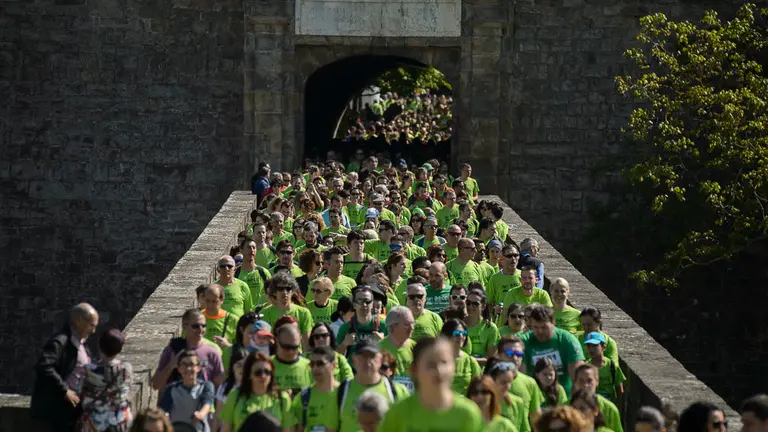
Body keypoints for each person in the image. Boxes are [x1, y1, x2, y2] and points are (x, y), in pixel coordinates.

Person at [378, 337, 484, 432]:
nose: (439, 370)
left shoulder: (468, 413)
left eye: (444, 362)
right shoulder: (398, 414)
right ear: (414, 370)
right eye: (431, 365)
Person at [31, 303, 99, 431]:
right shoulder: (61, 342)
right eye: (92, 325)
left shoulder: (80, 343)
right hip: (61, 411)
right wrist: (64, 390)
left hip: (75, 409)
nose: (93, 331)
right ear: (79, 321)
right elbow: (44, 366)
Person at [337, 340, 410, 432]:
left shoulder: (397, 391)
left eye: (372, 356)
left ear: (380, 360)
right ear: (354, 360)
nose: (367, 362)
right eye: (362, 357)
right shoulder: (340, 392)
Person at [151, 309, 224, 392]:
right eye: (195, 326)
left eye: (203, 326)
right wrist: (171, 365)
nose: (200, 330)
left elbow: (220, 387)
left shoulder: (212, 352)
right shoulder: (173, 349)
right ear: (184, 326)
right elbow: (156, 385)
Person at [217, 352, 292, 432]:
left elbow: (287, 430)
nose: (263, 376)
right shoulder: (235, 395)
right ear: (249, 374)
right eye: (258, 373)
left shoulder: (282, 398)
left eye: (267, 372)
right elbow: (226, 429)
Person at [76, 329, 133, 432]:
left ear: (99, 346)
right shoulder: (126, 369)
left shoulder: (89, 370)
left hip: (96, 423)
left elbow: (80, 392)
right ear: (120, 348)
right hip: (120, 422)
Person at [521, 305, 585, 395]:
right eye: (535, 327)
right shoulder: (524, 341)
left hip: (564, 395)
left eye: (544, 327)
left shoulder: (566, 340)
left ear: (553, 323)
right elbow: (520, 376)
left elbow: (578, 376)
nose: (540, 331)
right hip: (534, 396)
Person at [158, 350, 214, 432]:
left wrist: (200, 414)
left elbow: (207, 403)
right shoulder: (171, 389)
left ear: (198, 368)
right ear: (179, 369)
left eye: (191, 364)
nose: (188, 368)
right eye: (184, 365)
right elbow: (162, 410)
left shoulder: (206, 386)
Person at [496, 335, 544, 432]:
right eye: (509, 353)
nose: (515, 358)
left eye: (519, 354)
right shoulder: (487, 380)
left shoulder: (530, 382)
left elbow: (536, 417)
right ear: (499, 355)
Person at [288, 345, 341, 431]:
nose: (315, 368)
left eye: (320, 363)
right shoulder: (303, 397)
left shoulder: (344, 394)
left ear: (333, 365)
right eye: (312, 364)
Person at [259, 273, 314, 346]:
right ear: (274, 292)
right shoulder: (265, 313)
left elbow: (307, 343)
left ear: (293, 291)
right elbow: (264, 344)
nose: (285, 292)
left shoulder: (304, 313)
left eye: (288, 289)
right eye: (280, 289)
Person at [336, 285, 389, 359]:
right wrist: (345, 344)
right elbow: (335, 356)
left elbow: (393, 355)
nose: (364, 305)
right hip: (352, 366)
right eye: (359, 301)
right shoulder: (346, 327)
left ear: (372, 304)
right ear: (354, 305)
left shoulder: (383, 326)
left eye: (367, 301)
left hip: (375, 365)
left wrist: (383, 342)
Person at [572, 364, 623, 432]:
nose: (585, 385)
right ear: (575, 383)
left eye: (589, 380)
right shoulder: (565, 407)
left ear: (597, 382)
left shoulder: (610, 409)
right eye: (581, 381)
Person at [379, 306, 417, 393]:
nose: (411, 327)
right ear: (392, 327)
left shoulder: (416, 348)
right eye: (407, 324)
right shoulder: (379, 348)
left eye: (412, 323)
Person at [484, 358, 527, 432]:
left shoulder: (518, 402)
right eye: (503, 382)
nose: (507, 386)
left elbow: (524, 429)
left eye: (509, 382)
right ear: (492, 380)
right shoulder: (484, 401)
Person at [441, 318, 481, 394]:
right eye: (456, 333)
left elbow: (478, 388)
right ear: (446, 335)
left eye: (464, 333)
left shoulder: (470, 361)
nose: (461, 336)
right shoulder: (437, 360)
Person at [584, 331, 626, 404]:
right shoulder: (586, 367)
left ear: (603, 347)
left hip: (610, 406)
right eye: (588, 346)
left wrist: (619, 407)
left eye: (594, 346)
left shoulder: (611, 366)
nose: (591, 349)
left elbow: (619, 390)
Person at [271, 324, 312, 395]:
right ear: (277, 340)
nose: (290, 351)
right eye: (286, 347)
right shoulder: (268, 365)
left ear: (300, 340)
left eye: (294, 347)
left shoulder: (309, 366)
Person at [465, 288, 500, 361]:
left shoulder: (491, 328)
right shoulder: (459, 325)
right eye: (468, 303)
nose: (470, 306)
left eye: (475, 304)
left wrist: (470, 360)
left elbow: (492, 358)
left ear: (483, 306)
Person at [236, 236, 272, 305]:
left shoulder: (264, 272)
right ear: (241, 250)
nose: (252, 250)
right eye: (249, 247)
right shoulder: (236, 274)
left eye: (254, 247)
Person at [201, 284, 237, 348]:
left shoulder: (233, 320)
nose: (210, 305)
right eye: (208, 301)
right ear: (203, 299)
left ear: (222, 300)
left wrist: (228, 345)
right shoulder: (195, 318)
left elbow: (243, 348)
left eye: (214, 301)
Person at [487, 244, 522, 310]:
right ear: (502, 258)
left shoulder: (524, 276)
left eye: (515, 255)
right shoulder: (495, 278)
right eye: (509, 256)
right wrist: (495, 309)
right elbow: (488, 302)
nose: (513, 258)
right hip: (502, 315)